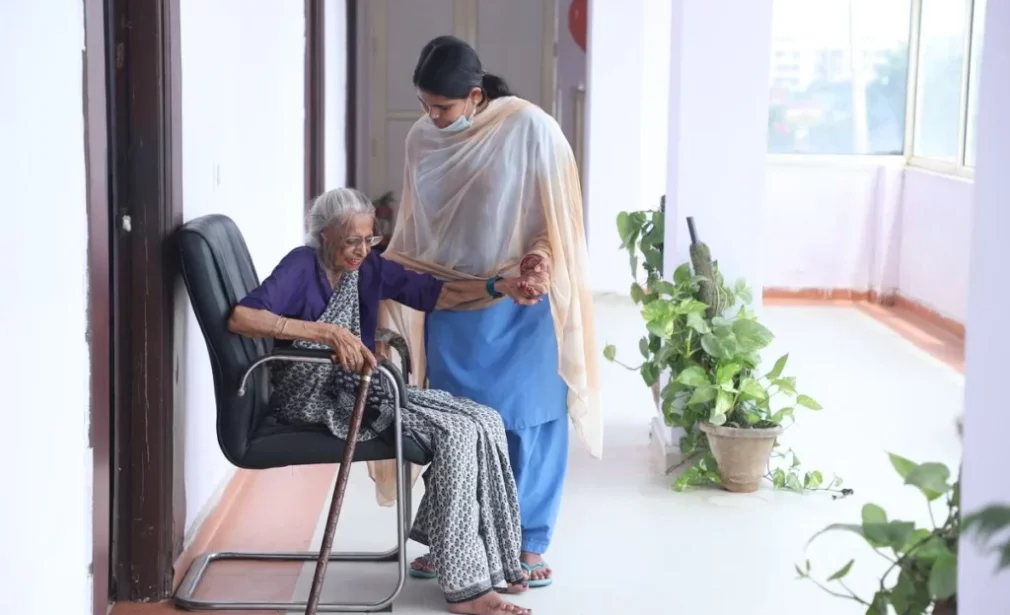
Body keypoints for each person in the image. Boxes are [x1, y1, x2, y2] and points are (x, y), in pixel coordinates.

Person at [228, 187, 546, 615]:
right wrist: (325, 332)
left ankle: (467, 552)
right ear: (324, 237)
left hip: (360, 388)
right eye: (351, 241)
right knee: (453, 432)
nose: (361, 250)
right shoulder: (301, 265)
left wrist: (498, 286)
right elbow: (243, 317)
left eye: (368, 239)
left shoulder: (369, 267)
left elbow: (435, 293)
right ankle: (467, 590)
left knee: (483, 418)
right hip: (313, 397)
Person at [373, 35, 602, 588]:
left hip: (523, 298)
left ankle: (527, 541)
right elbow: (417, 230)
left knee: (531, 422)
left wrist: (539, 265)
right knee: (459, 425)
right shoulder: (421, 138)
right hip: (456, 299)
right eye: (425, 105)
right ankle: (458, 535)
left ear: (475, 97)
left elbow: (559, 217)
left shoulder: (530, 129)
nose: (432, 116)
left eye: (443, 107)